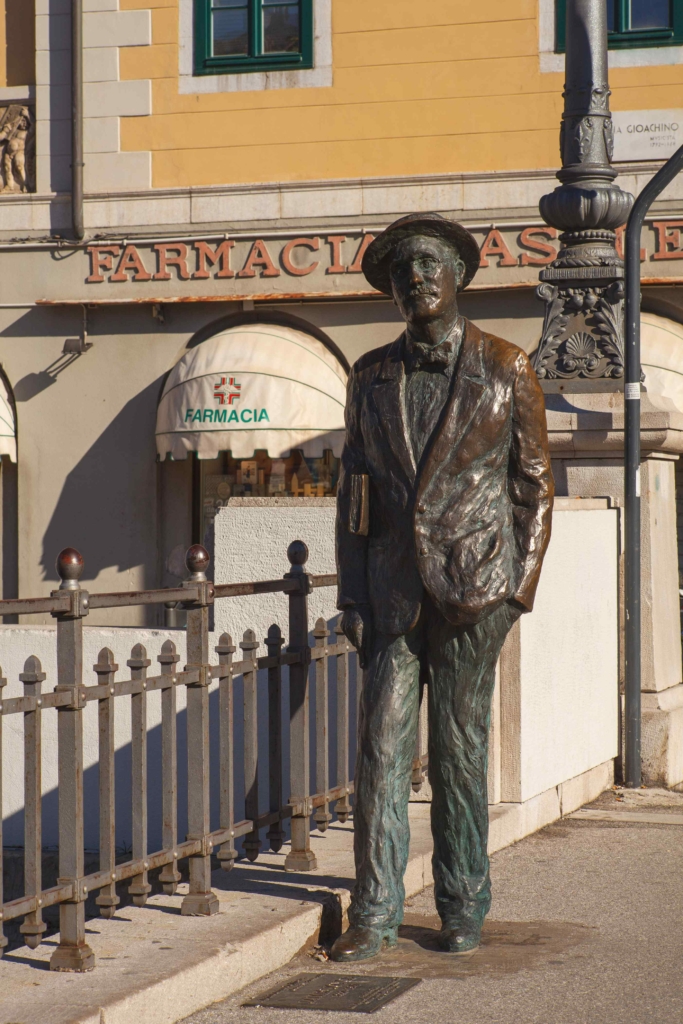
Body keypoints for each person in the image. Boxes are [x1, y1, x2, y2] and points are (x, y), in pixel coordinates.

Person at [332, 213, 553, 961]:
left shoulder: (506, 365)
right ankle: (374, 912)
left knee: (459, 751)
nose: (417, 279)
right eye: (403, 272)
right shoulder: (369, 375)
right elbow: (353, 495)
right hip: (391, 591)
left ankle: (462, 905)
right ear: (391, 291)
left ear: (457, 277)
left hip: (474, 589)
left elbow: (533, 488)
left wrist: (515, 590)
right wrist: (351, 595)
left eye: (429, 266)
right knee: (379, 751)